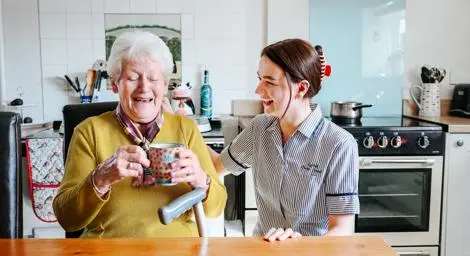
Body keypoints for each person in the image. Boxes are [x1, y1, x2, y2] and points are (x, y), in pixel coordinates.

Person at [53, 30, 227, 238]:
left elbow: (216, 208)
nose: (144, 88)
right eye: (133, 78)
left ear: (164, 85)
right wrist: (100, 179)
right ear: (115, 84)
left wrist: (201, 180)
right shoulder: (89, 132)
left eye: (154, 78)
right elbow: (67, 219)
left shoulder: (185, 129)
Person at [209, 39, 359, 241]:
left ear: (301, 88)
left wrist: (299, 246)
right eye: (260, 79)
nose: (258, 90)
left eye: (269, 82)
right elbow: (217, 166)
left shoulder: (339, 144)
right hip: (263, 249)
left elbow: (342, 230)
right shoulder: (260, 128)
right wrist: (181, 130)